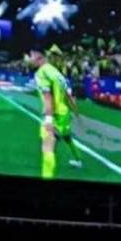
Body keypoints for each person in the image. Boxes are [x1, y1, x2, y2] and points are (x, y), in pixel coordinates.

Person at [27, 50, 82, 179]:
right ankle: (78, 160)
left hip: (54, 115)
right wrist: (75, 112)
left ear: (39, 57)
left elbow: (48, 97)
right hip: (64, 114)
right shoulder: (57, 73)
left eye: (31, 56)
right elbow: (68, 96)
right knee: (67, 137)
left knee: (47, 148)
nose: (28, 59)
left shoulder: (41, 73)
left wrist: (48, 119)